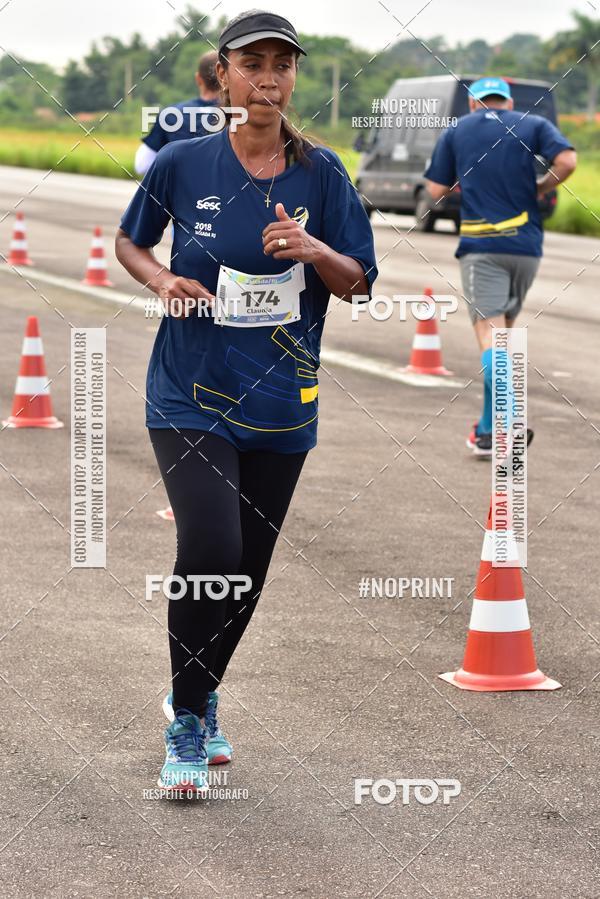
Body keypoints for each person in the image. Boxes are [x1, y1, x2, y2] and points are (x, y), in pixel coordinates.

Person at [115, 9, 377, 794]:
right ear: (222, 73)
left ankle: (196, 692)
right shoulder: (184, 162)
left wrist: (315, 249)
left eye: (283, 65)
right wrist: (162, 280)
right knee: (210, 550)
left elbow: (360, 283)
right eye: (252, 63)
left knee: (249, 574)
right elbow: (132, 240)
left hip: (282, 400)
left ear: (294, 77)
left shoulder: (322, 174)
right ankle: (188, 720)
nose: (269, 78)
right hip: (189, 392)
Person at [424, 77, 576, 457]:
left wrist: (467, 185)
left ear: (474, 104)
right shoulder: (533, 124)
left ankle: (511, 421)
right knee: (504, 338)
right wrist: (539, 188)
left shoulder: (458, 129)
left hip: (482, 246)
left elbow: (435, 191)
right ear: (507, 103)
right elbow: (568, 160)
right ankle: (487, 431)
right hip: (527, 247)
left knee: (491, 338)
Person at [134, 50, 221, 176]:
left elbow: (141, 165)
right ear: (224, 77)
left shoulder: (170, 115)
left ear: (198, 79)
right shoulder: (240, 115)